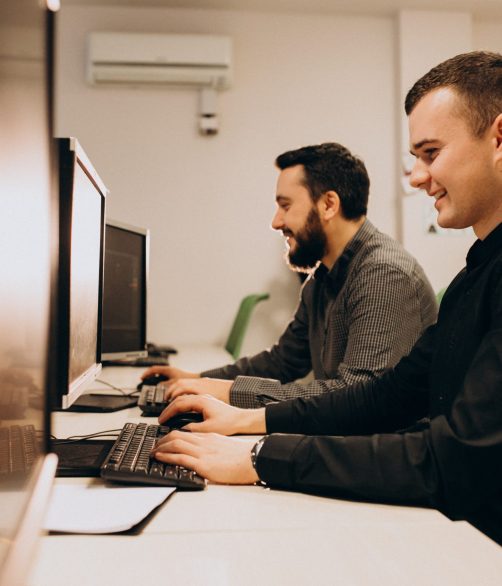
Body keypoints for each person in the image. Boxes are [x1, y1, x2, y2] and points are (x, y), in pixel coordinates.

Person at [151, 51, 502, 539]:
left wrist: (259, 453)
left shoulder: (392, 273)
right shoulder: (478, 270)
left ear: (499, 138)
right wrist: (248, 422)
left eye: (430, 153)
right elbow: (386, 396)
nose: (417, 176)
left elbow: (454, 458)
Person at [143, 143, 437, 407]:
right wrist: (197, 380)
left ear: (328, 205)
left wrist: (229, 392)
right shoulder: (322, 279)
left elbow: (356, 395)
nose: (276, 222)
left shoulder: (383, 276)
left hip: (379, 457)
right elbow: (283, 362)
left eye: (285, 206)